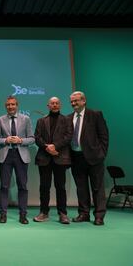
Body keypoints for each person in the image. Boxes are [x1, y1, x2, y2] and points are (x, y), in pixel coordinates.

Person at [69, 91, 109, 226]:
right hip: (76, 158)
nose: (74, 104)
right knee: (81, 188)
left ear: (84, 101)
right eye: (72, 102)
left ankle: (99, 216)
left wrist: (101, 153)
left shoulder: (95, 115)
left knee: (97, 188)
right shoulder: (69, 118)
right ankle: (83, 214)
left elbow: (104, 136)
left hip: (94, 158)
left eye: (76, 101)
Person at [0, 96, 34, 224]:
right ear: (5, 106)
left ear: (17, 105)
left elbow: (32, 138)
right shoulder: (0, 120)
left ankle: (23, 215)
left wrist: (21, 140)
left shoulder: (26, 119)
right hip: (6, 155)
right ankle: (3, 214)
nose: (10, 107)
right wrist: (5, 140)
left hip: (20, 155)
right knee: (4, 186)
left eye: (13, 104)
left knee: (22, 186)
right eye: (8, 105)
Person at [33, 97, 72, 224]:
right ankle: (44, 212)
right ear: (48, 105)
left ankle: (63, 213)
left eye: (57, 103)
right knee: (44, 187)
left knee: (60, 187)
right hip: (44, 158)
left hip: (60, 158)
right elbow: (37, 137)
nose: (54, 105)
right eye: (52, 103)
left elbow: (68, 137)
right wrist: (47, 147)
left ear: (60, 105)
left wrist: (55, 146)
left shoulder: (66, 120)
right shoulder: (41, 121)